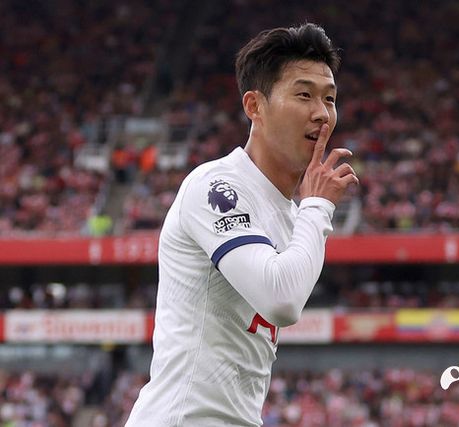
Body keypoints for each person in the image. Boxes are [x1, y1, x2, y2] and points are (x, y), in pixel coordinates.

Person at [125, 23, 358, 426]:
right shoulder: (217, 186)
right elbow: (281, 300)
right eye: (304, 95)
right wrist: (318, 206)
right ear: (254, 106)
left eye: (330, 98)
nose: (322, 113)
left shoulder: (292, 215)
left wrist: (310, 209)